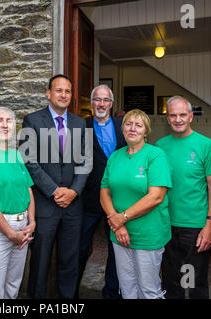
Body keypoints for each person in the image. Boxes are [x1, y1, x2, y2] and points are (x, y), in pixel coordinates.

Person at [20, 74, 90, 299]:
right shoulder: (33, 120)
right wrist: (53, 190)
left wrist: (74, 191)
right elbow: (29, 160)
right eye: (59, 90)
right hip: (45, 204)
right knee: (40, 262)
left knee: (70, 261)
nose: (64, 95)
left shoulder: (80, 123)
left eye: (68, 91)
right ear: (49, 93)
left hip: (73, 206)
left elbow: (85, 161)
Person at [100, 109, 172, 299]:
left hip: (148, 234)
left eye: (138, 125)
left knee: (149, 290)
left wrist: (122, 218)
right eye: (128, 124)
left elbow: (156, 196)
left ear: (146, 131)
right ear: (122, 128)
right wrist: (118, 224)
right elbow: (104, 192)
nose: (132, 128)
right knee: (127, 287)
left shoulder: (156, 155)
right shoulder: (115, 156)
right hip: (119, 234)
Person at [156, 96, 211, 299]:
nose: (178, 119)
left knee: (192, 280)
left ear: (191, 116)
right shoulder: (160, 146)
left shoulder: (205, 145)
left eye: (182, 114)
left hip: (194, 226)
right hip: (166, 224)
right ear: (168, 118)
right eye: (173, 115)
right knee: (169, 278)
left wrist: (210, 223)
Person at [0, 107, 36, 299]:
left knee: (13, 286)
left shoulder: (16, 155)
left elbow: (28, 190)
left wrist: (32, 222)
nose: (5, 125)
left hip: (22, 226)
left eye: (9, 121)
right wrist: (11, 234)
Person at [77, 85, 126, 299]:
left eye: (106, 100)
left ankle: (111, 293)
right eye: (97, 100)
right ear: (92, 103)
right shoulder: (80, 127)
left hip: (117, 202)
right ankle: (71, 294)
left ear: (111, 104)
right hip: (87, 201)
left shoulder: (124, 125)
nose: (101, 104)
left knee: (117, 251)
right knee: (78, 249)